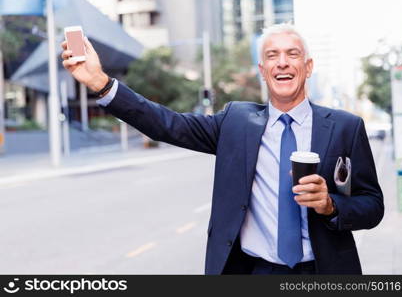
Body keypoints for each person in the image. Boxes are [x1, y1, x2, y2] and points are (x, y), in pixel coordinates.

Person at [61, 23, 384, 275]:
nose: (282, 63)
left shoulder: (345, 127)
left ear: (308, 66)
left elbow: (372, 206)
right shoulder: (236, 121)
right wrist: (100, 83)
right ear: (262, 71)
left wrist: (330, 205)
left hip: (323, 270)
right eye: (272, 56)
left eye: (292, 54)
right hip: (254, 271)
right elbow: (166, 124)